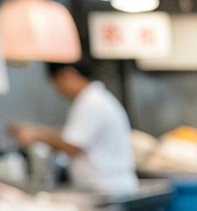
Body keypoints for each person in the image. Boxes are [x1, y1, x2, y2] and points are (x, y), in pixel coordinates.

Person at [7, 62, 137, 195]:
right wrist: (36, 132)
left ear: (68, 74)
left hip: (107, 188)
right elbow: (71, 137)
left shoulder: (91, 103)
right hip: (104, 187)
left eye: (56, 83)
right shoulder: (94, 99)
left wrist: (36, 134)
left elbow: (71, 145)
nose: (58, 91)